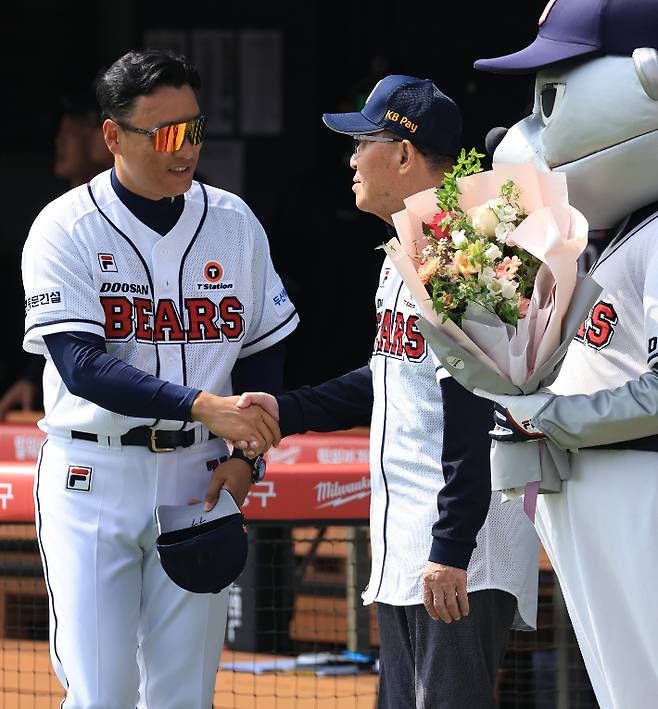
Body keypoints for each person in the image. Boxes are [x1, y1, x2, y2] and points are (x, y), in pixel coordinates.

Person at [207, 75, 540, 709]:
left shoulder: (463, 251)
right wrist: (289, 409)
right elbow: (389, 375)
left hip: (458, 551)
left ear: (405, 154)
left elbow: (475, 412)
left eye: (364, 141)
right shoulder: (411, 247)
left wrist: (450, 549)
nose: (352, 158)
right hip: (415, 543)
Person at [21, 49, 298, 708]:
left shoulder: (234, 221)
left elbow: (266, 348)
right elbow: (81, 365)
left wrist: (246, 458)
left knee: (183, 696)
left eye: (194, 129)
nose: (185, 149)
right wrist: (205, 406)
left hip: (198, 480)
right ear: (113, 136)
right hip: (94, 476)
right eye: (167, 134)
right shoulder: (66, 228)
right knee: (103, 693)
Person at [473, 1, 658, 706]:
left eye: (551, 99)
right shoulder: (612, 235)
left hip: (641, 482)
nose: (527, 133)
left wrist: (551, 415)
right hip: (590, 487)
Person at [0, 87, 114, 419]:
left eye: (73, 130)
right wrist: (30, 377)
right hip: (76, 417)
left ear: (108, 134)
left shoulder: (168, 200)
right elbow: (60, 317)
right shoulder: (53, 217)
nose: (60, 142)